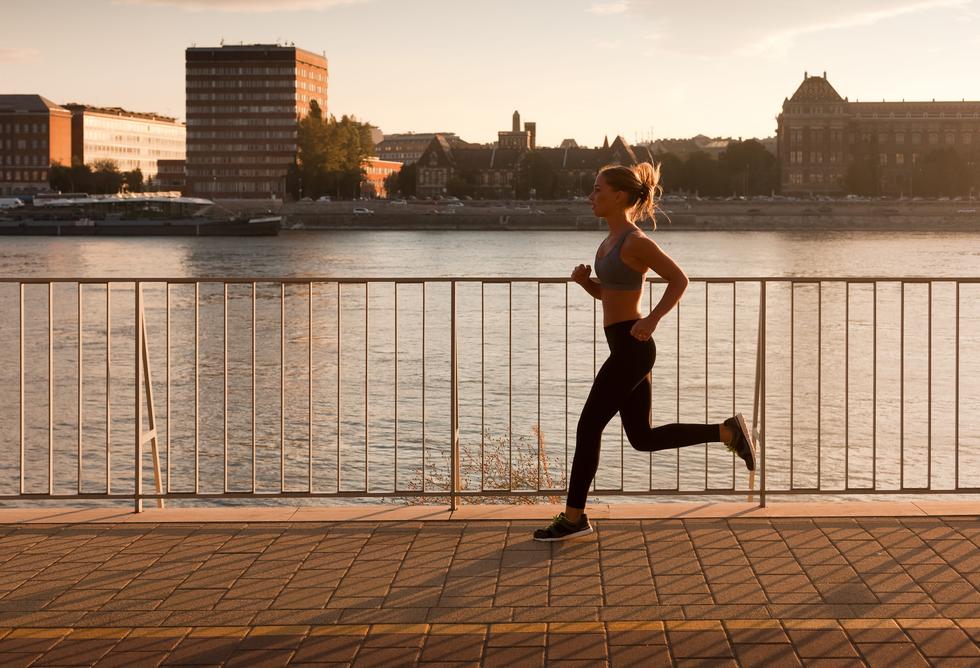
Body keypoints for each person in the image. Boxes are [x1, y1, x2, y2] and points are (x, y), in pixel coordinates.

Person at [533, 163, 756, 542]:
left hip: (633, 348)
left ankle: (574, 518)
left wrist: (652, 319)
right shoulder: (607, 242)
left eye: (597, 189)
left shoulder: (636, 241)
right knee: (643, 438)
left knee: (588, 427)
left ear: (619, 196)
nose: (591, 196)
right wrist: (588, 284)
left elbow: (679, 279)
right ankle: (726, 431)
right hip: (623, 344)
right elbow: (611, 294)